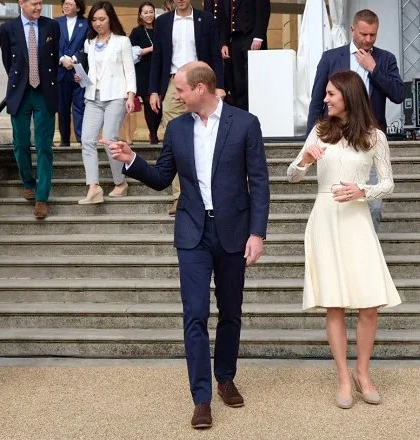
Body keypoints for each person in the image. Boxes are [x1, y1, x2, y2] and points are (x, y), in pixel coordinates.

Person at [109, 61, 269, 429]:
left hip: (233, 232)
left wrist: (257, 234)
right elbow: (163, 178)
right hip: (192, 234)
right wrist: (131, 159)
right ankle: (201, 398)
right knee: (194, 314)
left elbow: (259, 182)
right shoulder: (177, 129)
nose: (175, 96)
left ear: (200, 88)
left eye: (180, 90)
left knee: (230, 312)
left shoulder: (245, 124)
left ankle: (225, 377)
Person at [288, 71, 401, 409]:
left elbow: (388, 183)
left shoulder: (374, 136)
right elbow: (291, 176)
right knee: (333, 302)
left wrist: (362, 191)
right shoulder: (319, 132)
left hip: (357, 220)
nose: (326, 99)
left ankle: (362, 372)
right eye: (326, 94)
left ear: (348, 95)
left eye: (331, 94)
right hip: (324, 219)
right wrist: (305, 161)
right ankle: (342, 377)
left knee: (369, 303)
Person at [306, 9, 405, 231]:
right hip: (335, 139)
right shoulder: (331, 58)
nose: (368, 39)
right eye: (363, 34)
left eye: (373, 35)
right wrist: (310, 138)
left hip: (368, 140)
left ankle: (368, 253)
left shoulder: (385, 59)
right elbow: (316, 101)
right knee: (337, 204)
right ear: (352, 30)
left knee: (373, 207)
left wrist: (374, 68)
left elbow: (399, 95)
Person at [149, 0, 224, 215]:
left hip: (201, 83)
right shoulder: (162, 22)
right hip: (173, 83)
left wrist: (219, 87)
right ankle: (178, 196)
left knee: (206, 133)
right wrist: (154, 90)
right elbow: (158, 58)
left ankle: (206, 191)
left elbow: (215, 54)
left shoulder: (206, 20)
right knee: (174, 138)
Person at [0, 0, 60, 219]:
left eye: (40, 3)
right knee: (21, 142)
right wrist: (22, 80)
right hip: (20, 93)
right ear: (21, 3)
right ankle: (27, 181)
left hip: (45, 93)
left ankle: (42, 198)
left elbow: (54, 56)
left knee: (44, 146)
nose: (38, 7)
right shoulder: (7, 29)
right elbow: (8, 61)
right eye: (33, 3)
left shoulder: (51, 26)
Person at [75, 1, 136, 205]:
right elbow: (90, 71)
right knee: (87, 141)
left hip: (116, 96)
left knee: (110, 140)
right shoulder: (89, 43)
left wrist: (130, 96)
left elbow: (129, 70)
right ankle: (93, 187)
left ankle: (120, 182)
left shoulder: (122, 42)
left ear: (111, 19)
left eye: (102, 19)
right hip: (93, 96)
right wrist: (81, 78)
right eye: (94, 20)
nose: (98, 23)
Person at [204, 0, 270, 110]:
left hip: (251, 37)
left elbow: (263, 9)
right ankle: (242, 112)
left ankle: (256, 110)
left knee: (252, 80)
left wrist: (258, 36)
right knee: (238, 81)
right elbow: (225, 16)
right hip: (234, 39)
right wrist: (224, 43)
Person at [56, 0, 89, 147]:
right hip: (61, 71)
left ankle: (82, 139)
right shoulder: (55, 23)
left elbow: (88, 45)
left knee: (80, 106)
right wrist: (62, 58)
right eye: (64, 3)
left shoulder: (86, 23)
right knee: (62, 107)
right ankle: (64, 140)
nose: (65, 6)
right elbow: (50, 44)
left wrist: (74, 58)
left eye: (69, 3)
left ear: (78, 7)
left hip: (79, 72)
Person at [129, 2, 162, 144]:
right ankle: (153, 134)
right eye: (146, 12)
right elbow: (131, 53)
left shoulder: (161, 29)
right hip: (143, 71)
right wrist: (150, 49)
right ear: (140, 15)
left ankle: (154, 130)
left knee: (160, 104)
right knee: (148, 103)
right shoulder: (137, 32)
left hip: (159, 70)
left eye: (151, 12)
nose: (149, 15)